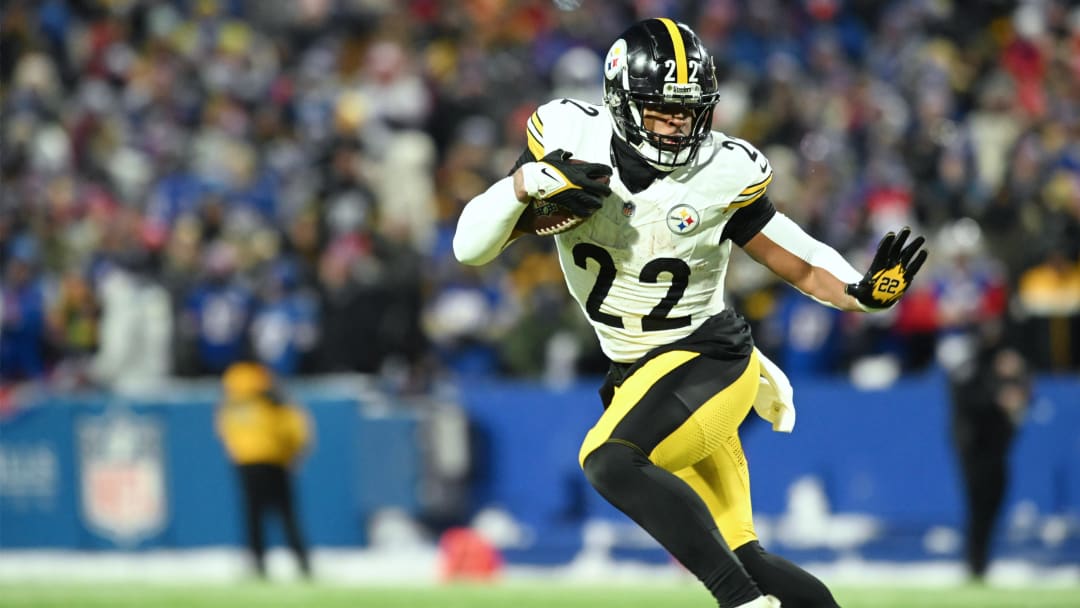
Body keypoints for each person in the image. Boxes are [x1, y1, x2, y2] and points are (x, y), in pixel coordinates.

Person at [453, 18, 928, 608]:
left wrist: (861, 292)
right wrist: (524, 184)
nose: (678, 122)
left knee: (607, 460)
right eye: (661, 110)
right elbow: (468, 248)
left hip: (708, 356)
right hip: (638, 374)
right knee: (746, 556)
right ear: (622, 102)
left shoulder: (722, 172)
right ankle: (753, 593)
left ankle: (742, 604)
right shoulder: (569, 138)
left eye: (688, 109)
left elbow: (799, 260)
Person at [946, 319, 1030, 581]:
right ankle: (975, 564)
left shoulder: (1007, 358)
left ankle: (981, 563)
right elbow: (965, 396)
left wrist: (1016, 383)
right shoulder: (970, 361)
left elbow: (1021, 394)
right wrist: (998, 397)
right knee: (979, 503)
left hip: (998, 444)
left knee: (993, 502)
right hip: (974, 444)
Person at [215, 361, 313, 579]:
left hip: (246, 462)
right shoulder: (272, 394)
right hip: (274, 459)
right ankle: (303, 562)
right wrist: (292, 453)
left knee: (253, 516)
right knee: (287, 515)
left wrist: (238, 450)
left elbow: (225, 428)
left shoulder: (233, 397)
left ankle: (258, 563)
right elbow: (294, 427)